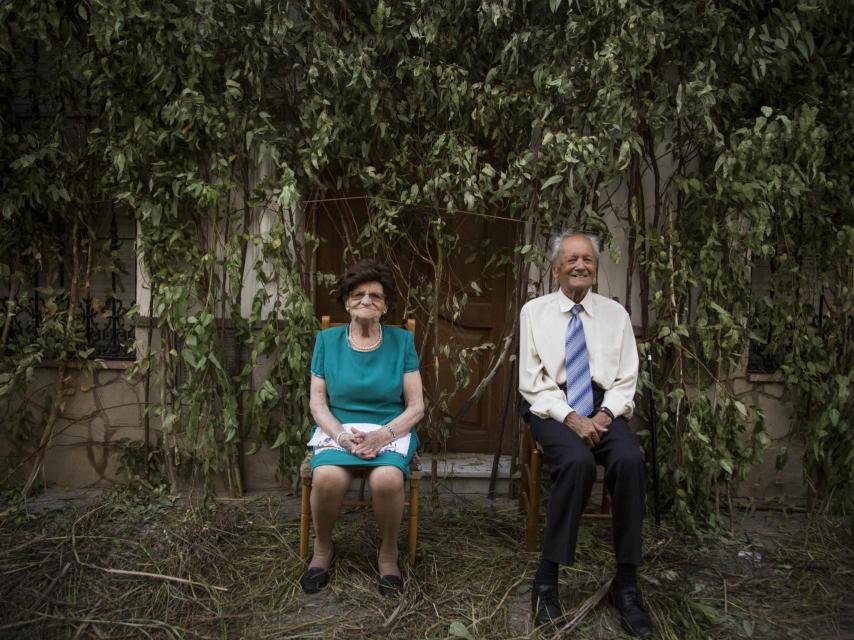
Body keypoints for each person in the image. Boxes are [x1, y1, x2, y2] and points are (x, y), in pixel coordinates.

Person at [518, 231, 655, 637]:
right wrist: (571, 417)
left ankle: (626, 584)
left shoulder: (615, 315)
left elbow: (626, 377)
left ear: (595, 267)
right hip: (551, 404)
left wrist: (605, 413)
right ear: (555, 268)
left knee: (630, 460)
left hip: (603, 405)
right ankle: (546, 580)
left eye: (588, 259)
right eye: (571, 259)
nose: (580, 265)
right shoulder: (534, 312)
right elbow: (531, 380)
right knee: (577, 463)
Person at [301, 259, 424, 597]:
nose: (366, 301)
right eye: (358, 294)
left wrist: (382, 436)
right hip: (339, 429)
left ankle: (388, 554)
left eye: (375, 296)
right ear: (346, 301)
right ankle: (323, 549)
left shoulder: (401, 342)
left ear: (385, 306)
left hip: (390, 430)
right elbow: (317, 404)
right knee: (327, 478)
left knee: (387, 480)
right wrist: (341, 436)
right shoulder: (327, 341)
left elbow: (416, 406)